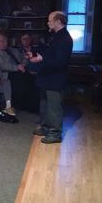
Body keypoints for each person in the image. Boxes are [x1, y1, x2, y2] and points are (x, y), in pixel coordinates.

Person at [29, 11, 73, 144]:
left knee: (54, 106)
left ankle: (55, 133)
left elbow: (60, 61)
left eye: (50, 20)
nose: (48, 23)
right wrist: (38, 55)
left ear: (58, 22)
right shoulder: (56, 36)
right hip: (47, 77)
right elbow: (50, 53)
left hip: (55, 78)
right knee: (45, 104)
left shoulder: (64, 38)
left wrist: (42, 58)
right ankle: (46, 127)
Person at [0, 33, 25, 117]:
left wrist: (23, 65)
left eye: (4, 41)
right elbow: (3, 66)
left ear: (7, 42)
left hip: (20, 71)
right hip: (6, 74)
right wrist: (17, 67)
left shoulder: (14, 50)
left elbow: (24, 58)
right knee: (10, 80)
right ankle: (8, 106)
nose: (2, 43)